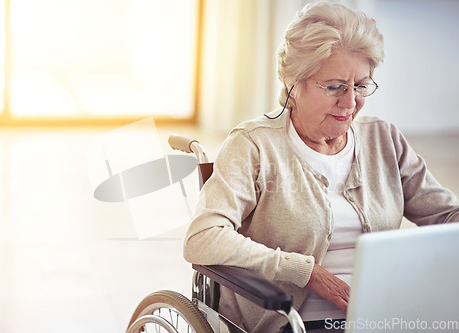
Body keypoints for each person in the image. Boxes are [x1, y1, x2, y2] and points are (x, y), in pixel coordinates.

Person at [183, 2, 459, 333]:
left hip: (386, 317)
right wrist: (307, 272)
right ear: (292, 82)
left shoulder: (382, 139)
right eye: (334, 87)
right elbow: (203, 238)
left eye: (361, 86)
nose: (350, 102)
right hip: (292, 322)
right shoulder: (253, 145)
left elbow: (447, 217)